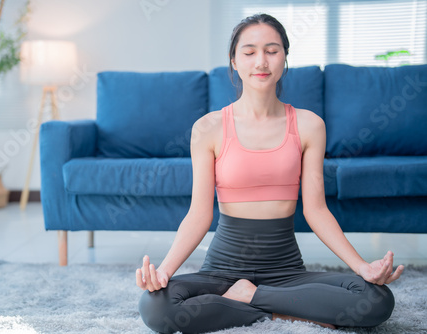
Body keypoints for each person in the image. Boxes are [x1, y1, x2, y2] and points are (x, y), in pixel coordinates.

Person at [135, 13, 404, 334]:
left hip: (287, 271)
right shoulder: (208, 128)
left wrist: (362, 266)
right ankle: (282, 313)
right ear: (233, 61)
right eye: (249, 52)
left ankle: (250, 298)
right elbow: (198, 214)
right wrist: (163, 272)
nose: (260, 61)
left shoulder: (309, 125)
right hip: (222, 270)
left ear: (285, 57)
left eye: (272, 50)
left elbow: (317, 210)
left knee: (376, 299)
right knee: (156, 307)